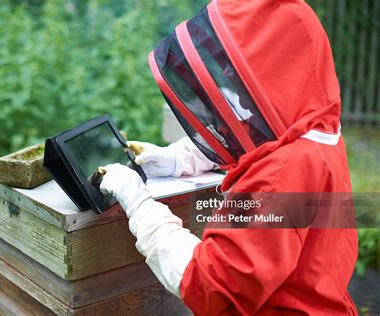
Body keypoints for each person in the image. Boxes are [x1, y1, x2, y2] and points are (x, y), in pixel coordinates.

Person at [99, 0, 358, 315]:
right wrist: (178, 159)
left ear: (274, 66)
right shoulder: (319, 129)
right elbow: (256, 139)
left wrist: (139, 204)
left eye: (236, 66)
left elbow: (209, 285)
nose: (226, 74)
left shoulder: (282, 174)